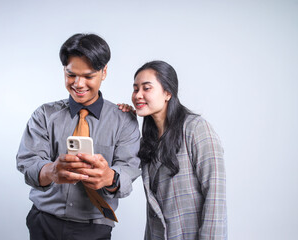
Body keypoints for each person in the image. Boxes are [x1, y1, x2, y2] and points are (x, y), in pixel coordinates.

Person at [16, 33, 141, 240]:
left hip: (94, 227)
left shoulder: (124, 120)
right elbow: (28, 164)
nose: (78, 84)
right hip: (44, 221)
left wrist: (109, 177)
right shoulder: (44, 115)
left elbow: (129, 170)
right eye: (71, 74)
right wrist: (51, 171)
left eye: (88, 76)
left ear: (104, 72)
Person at [118, 60, 227, 240]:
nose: (138, 95)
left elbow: (215, 195)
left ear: (167, 93)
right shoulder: (148, 140)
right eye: (135, 89)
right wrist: (124, 121)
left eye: (147, 88)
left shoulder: (196, 128)